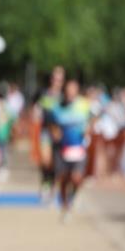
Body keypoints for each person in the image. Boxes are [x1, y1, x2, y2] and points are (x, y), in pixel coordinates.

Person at [49, 79, 92, 220]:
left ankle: (73, 197)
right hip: (62, 148)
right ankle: (65, 206)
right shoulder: (57, 107)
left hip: (79, 147)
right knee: (63, 179)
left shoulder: (84, 105)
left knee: (77, 178)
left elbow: (93, 120)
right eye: (68, 90)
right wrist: (55, 133)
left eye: (73, 90)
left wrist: (88, 130)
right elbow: (51, 124)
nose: (70, 93)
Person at [33, 66, 65, 202]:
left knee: (56, 163)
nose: (56, 81)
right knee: (46, 161)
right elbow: (36, 108)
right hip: (46, 131)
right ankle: (45, 182)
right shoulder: (44, 93)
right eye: (55, 78)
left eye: (60, 79)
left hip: (60, 132)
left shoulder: (64, 97)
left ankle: (52, 187)